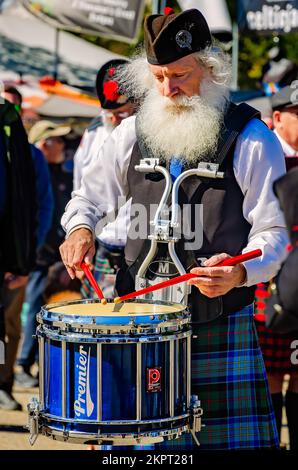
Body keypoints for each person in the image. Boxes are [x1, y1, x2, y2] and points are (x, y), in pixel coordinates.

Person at [60, 9, 288, 449]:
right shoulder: (127, 134)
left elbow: (276, 232)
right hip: (140, 327)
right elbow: (86, 198)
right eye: (158, 76)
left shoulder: (252, 137)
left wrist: (239, 273)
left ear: (210, 68)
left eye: (180, 74)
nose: (168, 89)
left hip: (217, 323)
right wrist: (80, 229)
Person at [254, 85, 298, 449]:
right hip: (268, 282)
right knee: (269, 372)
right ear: (279, 117)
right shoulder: (264, 154)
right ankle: (270, 443)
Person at [15, 120, 72, 386]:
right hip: (39, 257)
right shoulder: (34, 175)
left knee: (52, 311)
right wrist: (38, 249)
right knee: (32, 312)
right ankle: (23, 364)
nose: (63, 145)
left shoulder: (62, 174)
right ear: (43, 144)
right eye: (58, 140)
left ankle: (43, 364)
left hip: (59, 258)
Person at [74, 59, 136, 299]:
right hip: (102, 248)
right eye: (108, 113)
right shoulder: (92, 135)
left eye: (121, 113)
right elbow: (81, 190)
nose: (112, 120)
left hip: (139, 250)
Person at [0, 99, 37, 409]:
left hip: (7, 259)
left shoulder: (10, 130)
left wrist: (21, 259)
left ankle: (2, 382)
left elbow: (27, 203)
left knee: (6, 329)